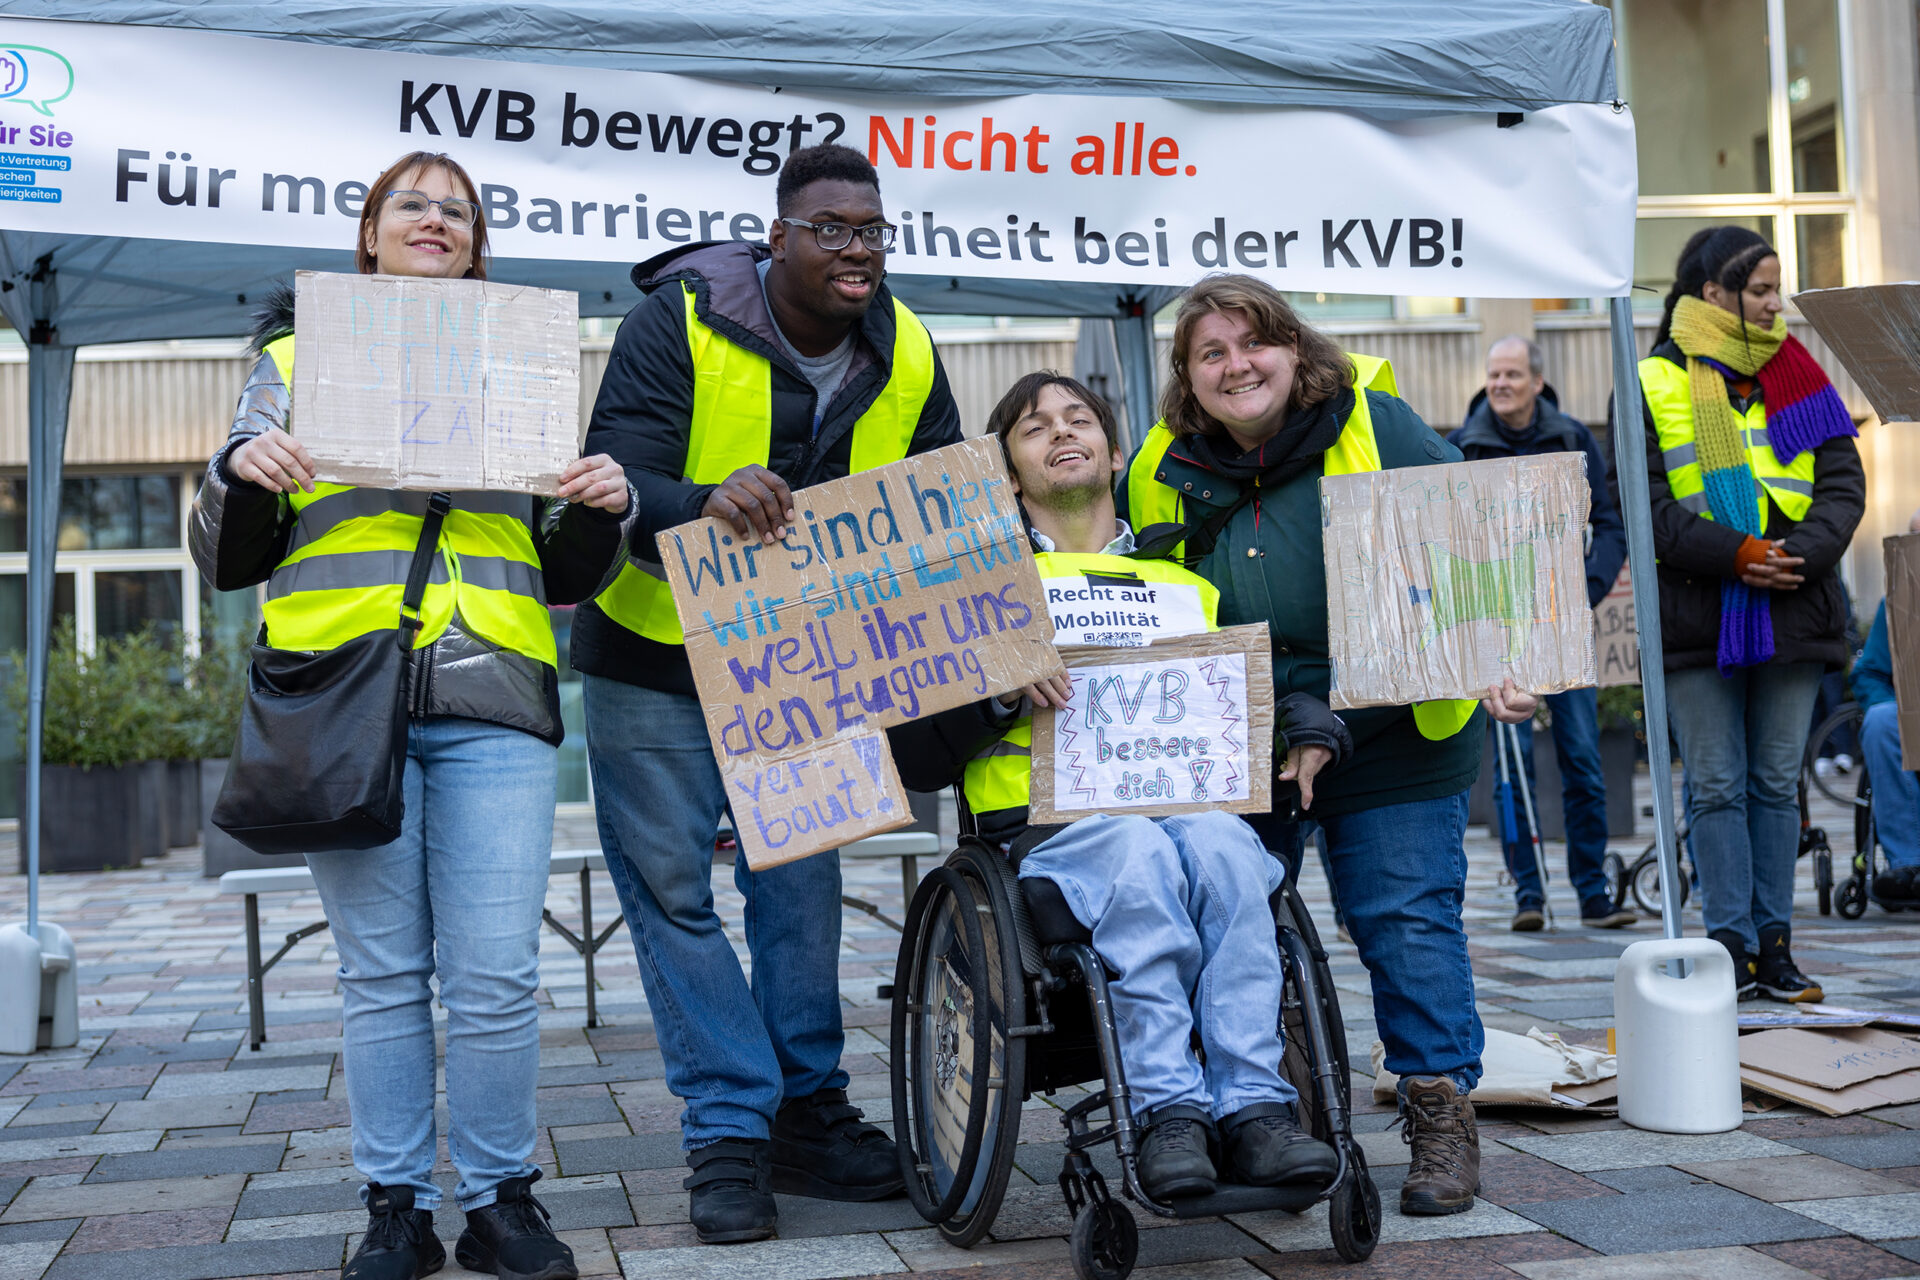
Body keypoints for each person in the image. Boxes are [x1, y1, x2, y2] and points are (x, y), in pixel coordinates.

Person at [190, 150, 636, 1280]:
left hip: (493, 691)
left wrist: (603, 507)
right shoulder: (291, 360)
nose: (434, 220)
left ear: (477, 249)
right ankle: (395, 1205)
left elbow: (566, 565)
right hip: (342, 699)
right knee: (381, 972)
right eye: (410, 206)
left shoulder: (527, 365)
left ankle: (498, 1198)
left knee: (493, 971)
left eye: (457, 211)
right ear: (370, 241)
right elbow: (223, 552)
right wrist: (243, 468)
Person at [572, 143, 964, 1244]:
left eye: (872, 230)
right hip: (654, 655)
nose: (856, 248)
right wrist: (702, 497)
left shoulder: (913, 343)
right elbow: (613, 477)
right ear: (777, 236)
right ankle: (729, 1129)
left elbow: (938, 502)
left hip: (808, 664)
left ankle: (808, 1107)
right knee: (673, 898)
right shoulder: (678, 318)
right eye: (832, 228)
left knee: (800, 888)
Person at [1117, 274, 1537, 1218]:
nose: (1237, 365)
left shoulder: (1377, 428)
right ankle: (1277, 1112)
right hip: (1248, 732)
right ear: (1187, 376)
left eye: (1254, 343)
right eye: (1211, 353)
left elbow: (1483, 555)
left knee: (1401, 916)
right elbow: (1149, 614)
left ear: (1295, 350)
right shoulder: (1154, 466)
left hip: (1393, 728)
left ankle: (1438, 1115)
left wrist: (1505, 651)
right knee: (1235, 919)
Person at [892, 372, 1353, 1201]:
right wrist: (998, 693)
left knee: (1227, 850)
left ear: (1112, 452)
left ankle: (1255, 1107)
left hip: (1183, 807)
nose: (1061, 432)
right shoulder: (975, 597)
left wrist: (1308, 725)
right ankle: (1169, 1107)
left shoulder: (1186, 583)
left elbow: (1257, 690)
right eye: (1034, 428)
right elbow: (917, 761)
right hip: (1041, 832)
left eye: (1079, 419)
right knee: (1139, 850)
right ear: (1004, 473)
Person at [1632, 225, 1864, 1001]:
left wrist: (1806, 551)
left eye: (1775, 289)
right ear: (1713, 295)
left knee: (1772, 783)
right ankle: (1729, 947)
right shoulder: (1650, 379)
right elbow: (1643, 508)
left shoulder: (1801, 374)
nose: (1775, 306)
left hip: (1797, 607)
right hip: (1702, 615)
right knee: (1717, 785)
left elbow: (1843, 484)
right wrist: (1735, 555)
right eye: (1760, 291)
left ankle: (1777, 944)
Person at [1453, 337, 1633, 932]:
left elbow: (1608, 521)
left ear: (1536, 379)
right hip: (1498, 626)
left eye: (1511, 374)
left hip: (1562, 621)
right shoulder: (1463, 445)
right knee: (1511, 765)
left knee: (1582, 756)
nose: (1500, 383)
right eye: (1493, 374)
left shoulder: (1574, 438)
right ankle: (1528, 894)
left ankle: (1592, 891)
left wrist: (1589, 586)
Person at [1851, 505, 1920, 901]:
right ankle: (1909, 862)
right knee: (1880, 721)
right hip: (1910, 719)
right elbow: (1870, 674)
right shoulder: (1895, 605)